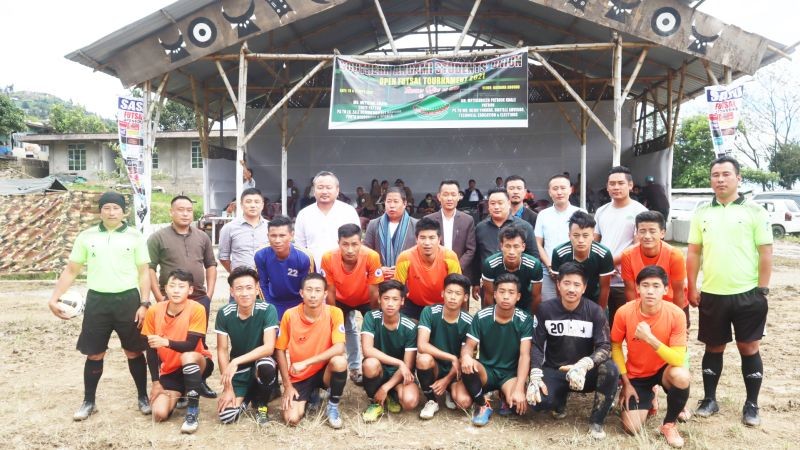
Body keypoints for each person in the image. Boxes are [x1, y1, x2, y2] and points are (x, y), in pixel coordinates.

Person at [47, 192, 151, 420]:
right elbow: (72, 270)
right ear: (100, 211)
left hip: (128, 300)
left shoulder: (135, 236)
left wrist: (144, 303)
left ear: (124, 211)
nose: (111, 212)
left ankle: (143, 397)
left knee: (134, 351)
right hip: (97, 301)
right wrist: (54, 297)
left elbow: (144, 273)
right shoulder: (87, 236)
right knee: (94, 353)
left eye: (116, 208)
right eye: (107, 208)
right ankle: (89, 401)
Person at [687, 156, 772, 427]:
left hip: (748, 292)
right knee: (714, 346)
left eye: (725, 174)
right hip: (712, 293)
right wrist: (693, 285)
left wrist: (762, 288)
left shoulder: (755, 212)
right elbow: (693, 251)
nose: (720, 179)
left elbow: (766, 251)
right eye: (715, 175)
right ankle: (709, 399)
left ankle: (752, 405)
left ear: (738, 178)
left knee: (749, 347)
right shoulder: (702, 212)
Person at [526, 262, 618, 440]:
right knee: (538, 404)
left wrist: (584, 364)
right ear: (558, 285)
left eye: (577, 285)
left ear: (584, 288)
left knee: (611, 370)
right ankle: (559, 400)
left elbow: (605, 346)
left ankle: (597, 421)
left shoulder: (595, 311)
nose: (571, 289)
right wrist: (535, 374)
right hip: (555, 369)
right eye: (566, 283)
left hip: (584, 373)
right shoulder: (545, 309)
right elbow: (536, 344)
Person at [611, 266, 691, 448]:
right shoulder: (624, 312)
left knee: (682, 376)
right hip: (637, 374)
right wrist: (626, 383)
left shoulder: (676, 314)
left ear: (665, 289)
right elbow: (615, 346)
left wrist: (650, 339)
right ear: (637, 288)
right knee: (631, 428)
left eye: (656, 286)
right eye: (645, 285)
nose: (650, 291)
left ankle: (669, 424)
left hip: (665, 369)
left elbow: (678, 359)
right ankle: (650, 397)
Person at [147, 196, 217, 382]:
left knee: (197, 341)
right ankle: (175, 379)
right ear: (171, 212)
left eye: (189, 210)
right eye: (180, 209)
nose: (185, 214)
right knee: (171, 340)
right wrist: (159, 297)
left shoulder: (202, 236)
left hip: (199, 298)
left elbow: (211, 265)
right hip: (170, 300)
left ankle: (197, 382)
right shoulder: (158, 237)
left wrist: (209, 295)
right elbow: (150, 268)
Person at [142, 269, 213, 434]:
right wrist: (155, 383)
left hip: (198, 361)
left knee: (188, 357)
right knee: (159, 413)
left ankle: (193, 410)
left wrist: (165, 342)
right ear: (165, 288)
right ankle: (187, 389)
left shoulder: (197, 309)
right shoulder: (154, 311)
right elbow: (150, 350)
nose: (176, 290)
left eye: (181, 286)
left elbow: (190, 345)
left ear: (190, 290)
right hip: (171, 369)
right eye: (172, 286)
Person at [275, 273, 348, 429]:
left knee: (340, 362)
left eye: (318, 290)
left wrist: (306, 362)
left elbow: (339, 347)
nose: (313, 295)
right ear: (301, 293)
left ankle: (333, 405)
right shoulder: (290, 315)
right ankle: (312, 395)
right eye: (309, 290)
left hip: (325, 370)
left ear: (325, 294)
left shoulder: (335, 312)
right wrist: (287, 385)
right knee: (291, 419)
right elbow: (279, 350)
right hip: (300, 376)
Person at [461, 273, 534, 426]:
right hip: (486, 370)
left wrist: (520, 388)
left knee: (520, 408)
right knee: (468, 365)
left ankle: (504, 393)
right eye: (501, 292)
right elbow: (468, 347)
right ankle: (482, 404)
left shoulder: (525, 319)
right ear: (494, 294)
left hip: (509, 374)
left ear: (518, 296)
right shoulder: (482, 316)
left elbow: (525, 355)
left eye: (511, 292)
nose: (506, 296)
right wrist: (466, 357)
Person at [215, 267, 279, 426]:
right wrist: (227, 388)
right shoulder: (224, 313)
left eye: (249, 288)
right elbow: (222, 349)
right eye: (239, 288)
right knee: (226, 417)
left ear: (257, 289)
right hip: (241, 369)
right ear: (232, 291)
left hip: (260, 363)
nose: (244, 293)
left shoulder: (267, 309)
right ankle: (249, 395)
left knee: (266, 366)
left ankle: (262, 407)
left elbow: (269, 347)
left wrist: (235, 361)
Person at [321, 223, 382, 384]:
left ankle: (373, 368)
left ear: (361, 242)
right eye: (345, 244)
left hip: (366, 298)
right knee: (343, 331)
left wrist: (374, 318)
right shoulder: (328, 258)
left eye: (354, 244)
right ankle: (353, 369)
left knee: (372, 330)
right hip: (340, 299)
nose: (350, 249)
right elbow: (330, 291)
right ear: (338, 243)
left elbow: (374, 290)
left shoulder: (372, 256)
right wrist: (334, 318)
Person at [594, 166, 647, 326]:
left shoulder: (640, 212)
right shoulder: (601, 211)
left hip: (624, 280)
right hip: (602, 278)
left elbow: (638, 246)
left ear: (630, 185)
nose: (616, 187)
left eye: (620, 183)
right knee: (602, 325)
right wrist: (600, 267)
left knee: (626, 325)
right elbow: (594, 242)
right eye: (612, 184)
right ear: (607, 186)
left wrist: (609, 264)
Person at [416, 274, 474, 419]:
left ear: (465, 297)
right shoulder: (429, 312)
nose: (453, 297)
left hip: (455, 370)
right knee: (423, 359)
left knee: (464, 402)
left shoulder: (468, 321)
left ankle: (449, 389)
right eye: (449, 292)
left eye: (458, 294)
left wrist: (447, 380)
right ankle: (431, 400)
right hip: (435, 364)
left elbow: (463, 358)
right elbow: (422, 345)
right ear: (442, 293)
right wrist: (450, 357)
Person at [360, 280, 420, 421]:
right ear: (379, 300)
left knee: (410, 401)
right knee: (370, 364)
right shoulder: (371, 317)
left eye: (395, 299)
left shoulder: (410, 326)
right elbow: (367, 350)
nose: (390, 303)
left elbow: (408, 365)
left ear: (402, 301)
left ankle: (389, 394)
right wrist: (399, 363)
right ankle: (375, 403)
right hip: (379, 368)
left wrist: (385, 388)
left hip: (399, 374)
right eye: (386, 298)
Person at [474, 188, 538, 303]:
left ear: (508, 203)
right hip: (490, 283)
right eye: (492, 203)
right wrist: (475, 282)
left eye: (500, 203)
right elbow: (477, 256)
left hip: (518, 284)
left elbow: (534, 255)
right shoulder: (480, 228)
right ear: (488, 206)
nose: (496, 207)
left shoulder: (524, 226)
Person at [393, 218, 462, 320]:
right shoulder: (405, 257)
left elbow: (457, 288)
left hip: (442, 305)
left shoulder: (450, 256)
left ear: (439, 239)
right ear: (416, 239)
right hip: (414, 305)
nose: (427, 242)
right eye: (423, 237)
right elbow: (397, 288)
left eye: (431, 238)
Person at [621, 211, 688, 316]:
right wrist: (635, 317)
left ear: (662, 233)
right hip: (642, 306)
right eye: (642, 231)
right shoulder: (627, 255)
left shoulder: (675, 255)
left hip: (672, 305)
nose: (647, 236)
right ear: (637, 233)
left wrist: (677, 318)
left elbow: (678, 292)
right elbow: (630, 291)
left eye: (652, 231)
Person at [294, 171, 361, 270]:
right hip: (314, 273)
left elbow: (356, 244)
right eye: (320, 187)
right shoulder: (304, 214)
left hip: (344, 271)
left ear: (337, 190)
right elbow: (300, 248)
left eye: (329, 188)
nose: (324, 191)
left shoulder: (348, 211)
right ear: (314, 190)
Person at [253, 215, 313, 320]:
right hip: (273, 301)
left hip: (298, 302)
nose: (277, 240)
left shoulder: (304, 257)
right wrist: (269, 308)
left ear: (291, 235)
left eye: (282, 235)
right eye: (273, 236)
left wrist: (304, 309)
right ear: (268, 236)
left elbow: (309, 286)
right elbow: (262, 284)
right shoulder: (260, 255)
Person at [551, 211, 615, 309]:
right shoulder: (559, 253)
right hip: (569, 299)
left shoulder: (603, 254)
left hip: (595, 299)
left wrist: (600, 313)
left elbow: (605, 288)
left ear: (593, 236)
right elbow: (558, 285)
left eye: (585, 236)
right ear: (569, 235)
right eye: (576, 235)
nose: (581, 240)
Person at [535, 174, 581, 301]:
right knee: (549, 307)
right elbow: (538, 243)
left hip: (574, 270)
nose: (559, 192)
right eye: (555, 188)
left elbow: (587, 243)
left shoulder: (580, 213)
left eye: (563, 188)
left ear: (570, 190)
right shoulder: (543, 215)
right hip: (548, 271)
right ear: (550, 192)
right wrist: (550, 266)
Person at [481, 225, 544, 315]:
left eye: (516, 246)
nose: (511, 252)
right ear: (501, 246)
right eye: (507, 246)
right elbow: (489, 296)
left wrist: (531, 319)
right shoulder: (490, 264)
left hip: (524, 303)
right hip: (499, 304)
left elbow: (536, 297)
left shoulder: (534, 265)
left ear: (523, 247)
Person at [425, 180, 476, 281]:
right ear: (439, 197)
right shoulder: (428, 220)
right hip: (433, 273)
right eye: (446, 194)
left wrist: (456, 268)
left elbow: (471, 249)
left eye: (453, 195)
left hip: (460, 273)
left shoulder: (467, 220)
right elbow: (424, 247)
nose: (449, 198)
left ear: (459, 197)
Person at [365, 187, 418, 280]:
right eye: (388, 201)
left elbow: (421, 255)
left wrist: (401, 270)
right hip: (381, 278)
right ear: (384, 203)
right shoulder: (374, 224)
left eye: (396, 201)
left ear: (404, 203)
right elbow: (366, 253)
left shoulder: (416, 225)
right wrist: (378, 269)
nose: (392, 205)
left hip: (408, 279)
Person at [218, 188, 269, 272]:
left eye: (257, 202)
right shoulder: (229, 228)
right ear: (241, 205)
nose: (253, 205)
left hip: (266, 280)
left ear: (262, 205)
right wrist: (236, 274)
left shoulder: (270, 227)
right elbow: (223, 257)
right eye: (248, 202)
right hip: (241, 281)